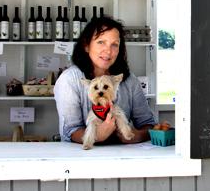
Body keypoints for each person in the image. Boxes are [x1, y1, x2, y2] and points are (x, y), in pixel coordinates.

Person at [54, 16, 156, 144]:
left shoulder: (129, 80)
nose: (108, 50)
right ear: (86, 45)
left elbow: (148, 124)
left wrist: (135, 136)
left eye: (114, 44)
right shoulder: (69, 80)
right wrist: (97, 135)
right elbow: (70, 131)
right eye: (101, 42)